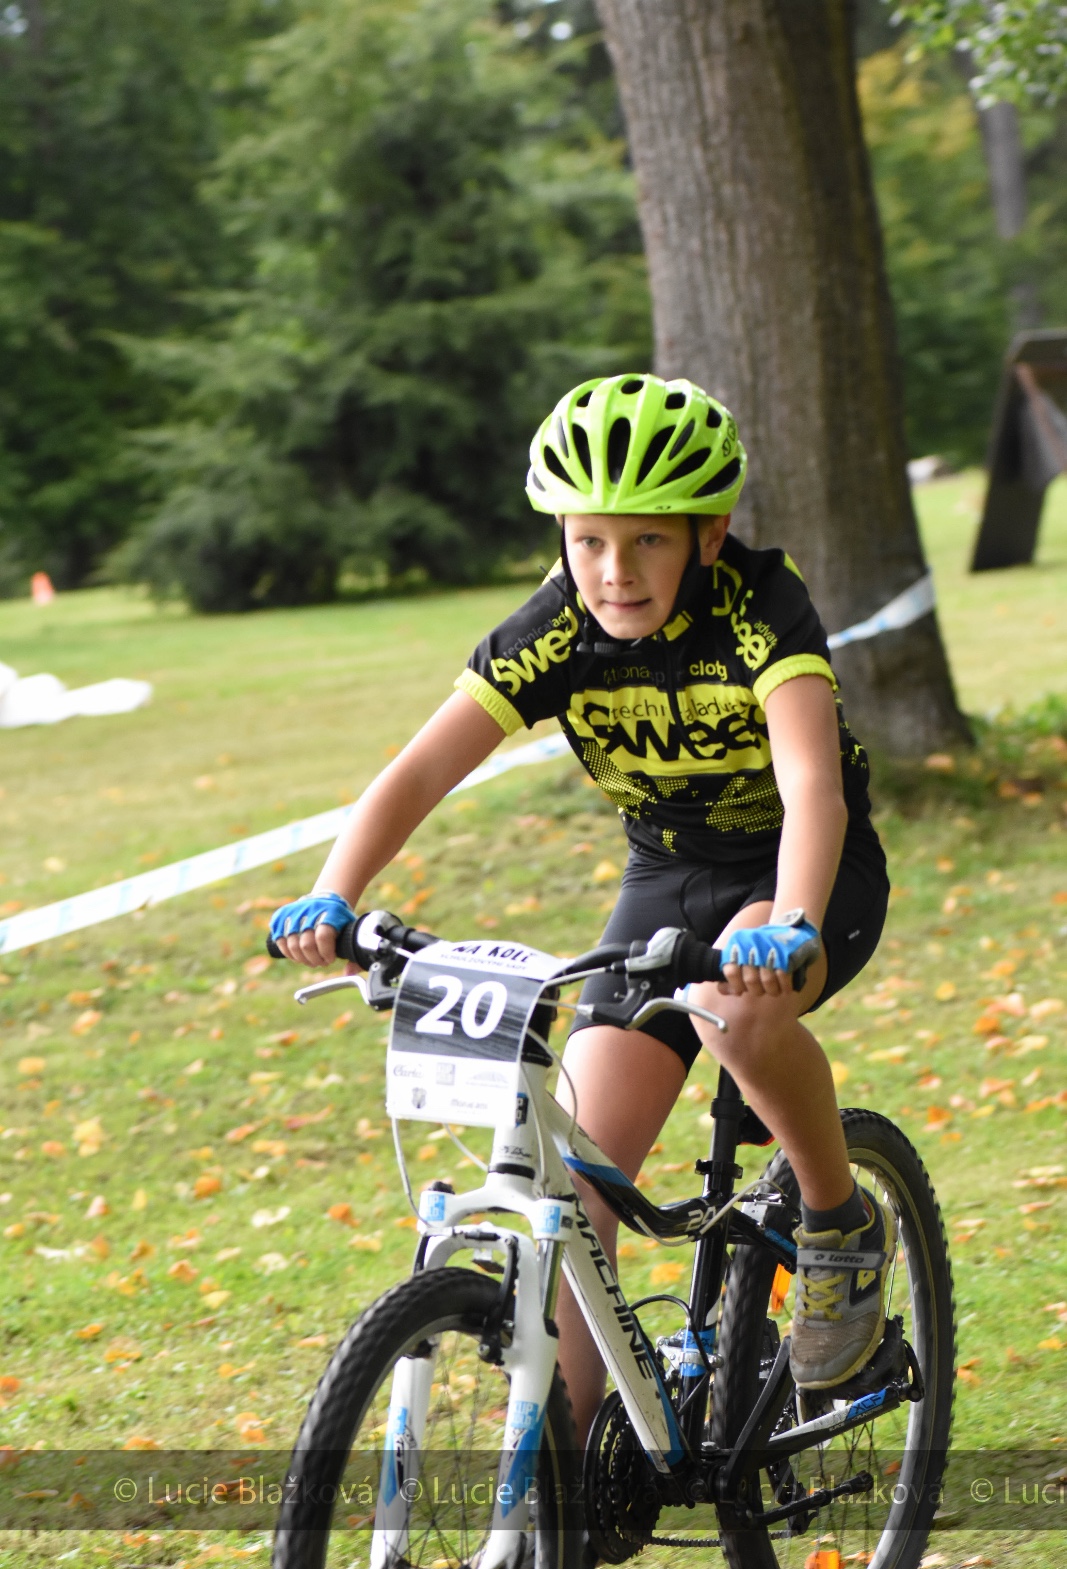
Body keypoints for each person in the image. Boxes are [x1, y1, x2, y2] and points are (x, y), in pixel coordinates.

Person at [270, 373, 894, 1448]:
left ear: (708, 534)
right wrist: (336, 890)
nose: (614, 570)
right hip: (666, 878)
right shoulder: (556, 625)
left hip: (801, 868)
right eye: (588, 539)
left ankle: (838, 1223)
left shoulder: (759, 606)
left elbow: (810, 788)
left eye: (647, 540)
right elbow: (420, 770)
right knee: (576, 1187)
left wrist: (788, 917)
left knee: (736, 1016)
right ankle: (562, 1483)